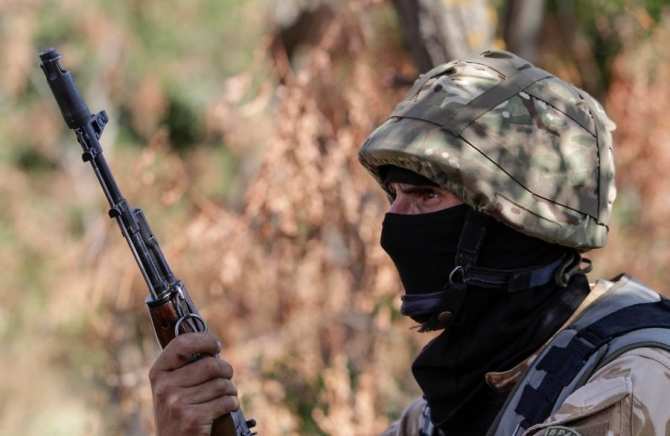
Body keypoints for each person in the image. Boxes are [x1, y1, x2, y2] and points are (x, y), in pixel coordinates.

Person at [149, 50, 670, 436]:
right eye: (394, 195)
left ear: (514, 223)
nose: (394, 222)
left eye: (425, 196)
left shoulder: (633, 384)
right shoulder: (468, 390)